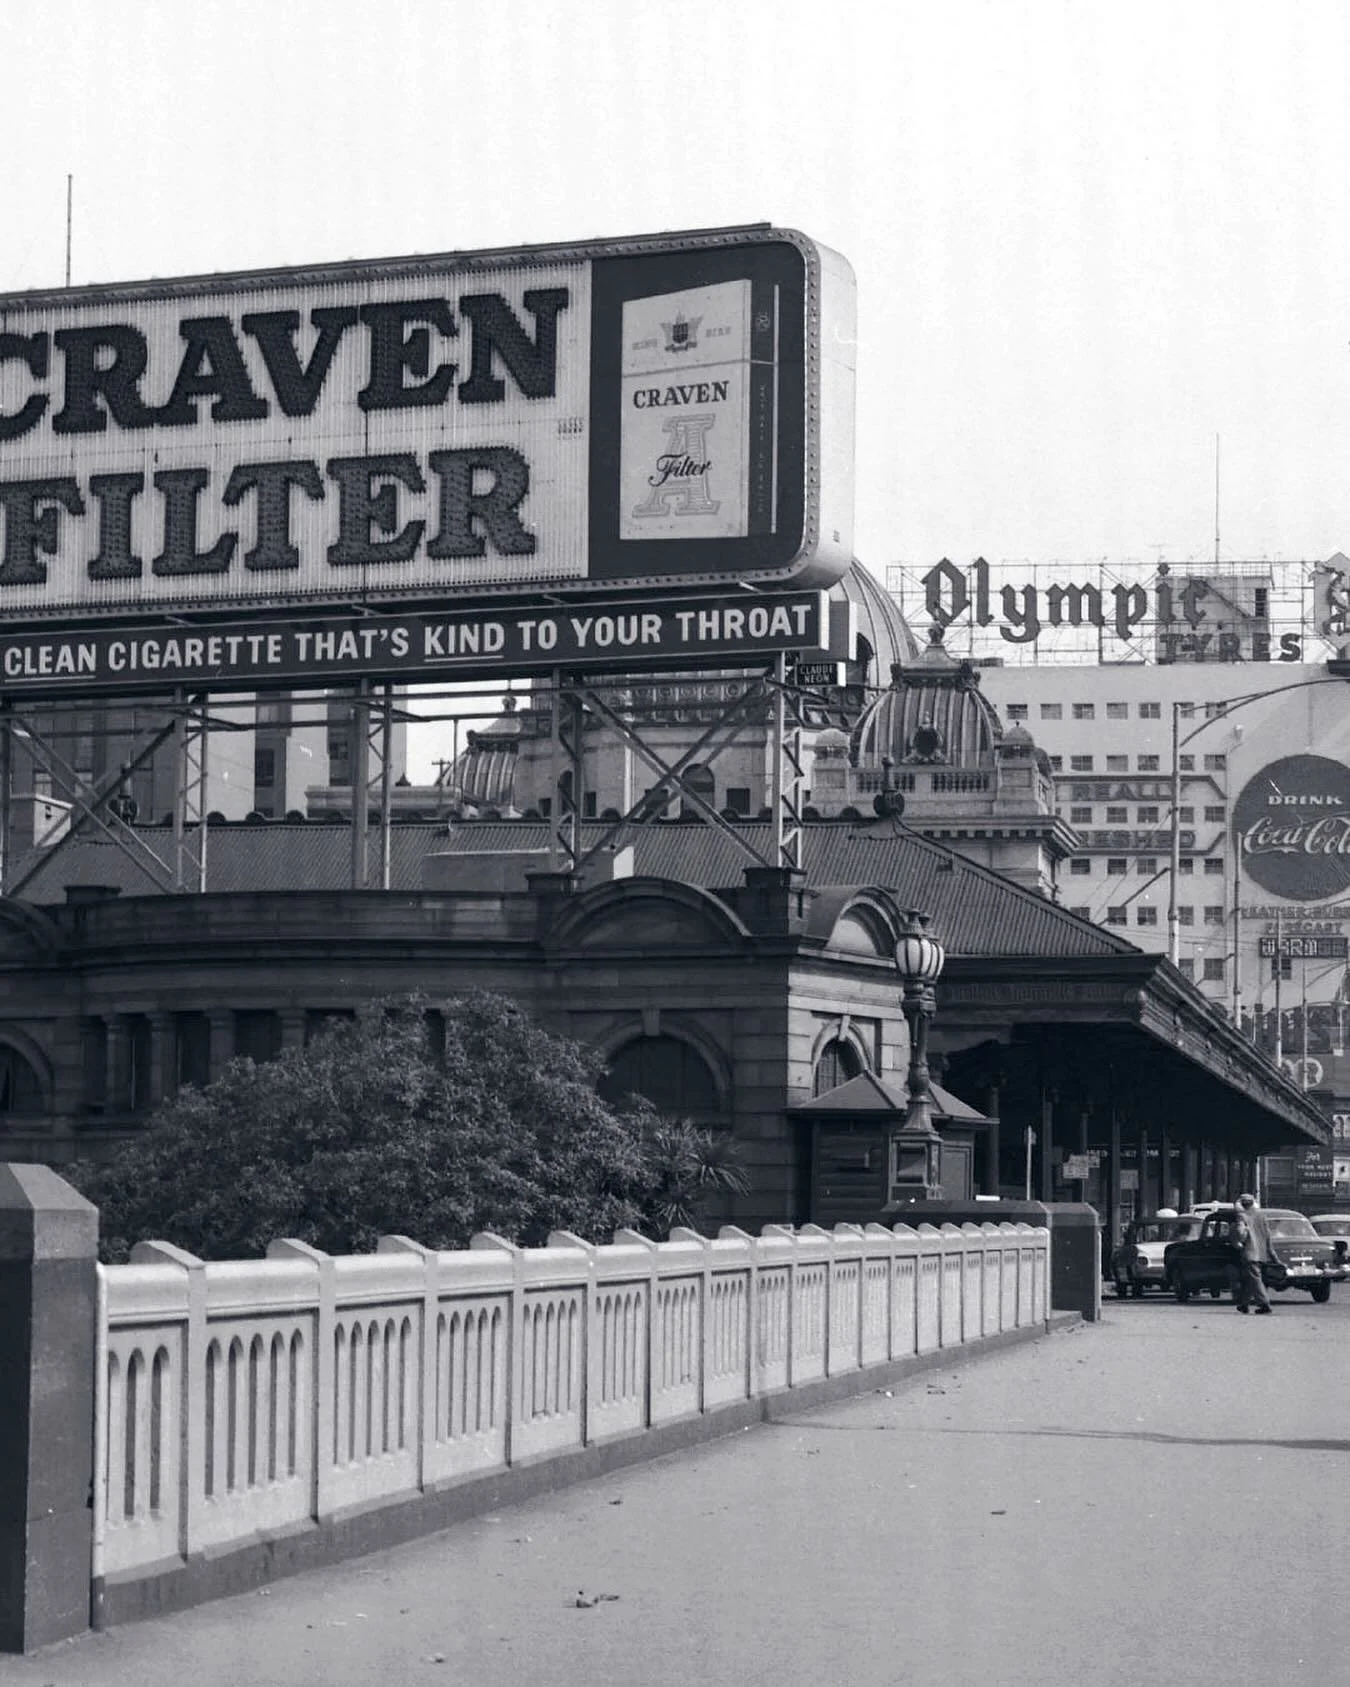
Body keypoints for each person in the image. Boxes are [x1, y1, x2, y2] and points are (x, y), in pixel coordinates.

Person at [1231, 1192, 1272, 1314]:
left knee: (1254, 1279)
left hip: (1249, 1252)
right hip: (1261, 1252)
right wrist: (1271, 1252)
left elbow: (1241, 1233)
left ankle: (1264, 1303)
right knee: (1250, 1280)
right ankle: (1244, 1304)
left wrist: (1238, 1242)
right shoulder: (1262, 1216)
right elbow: (1268, 1235)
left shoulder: (1242, 1216)